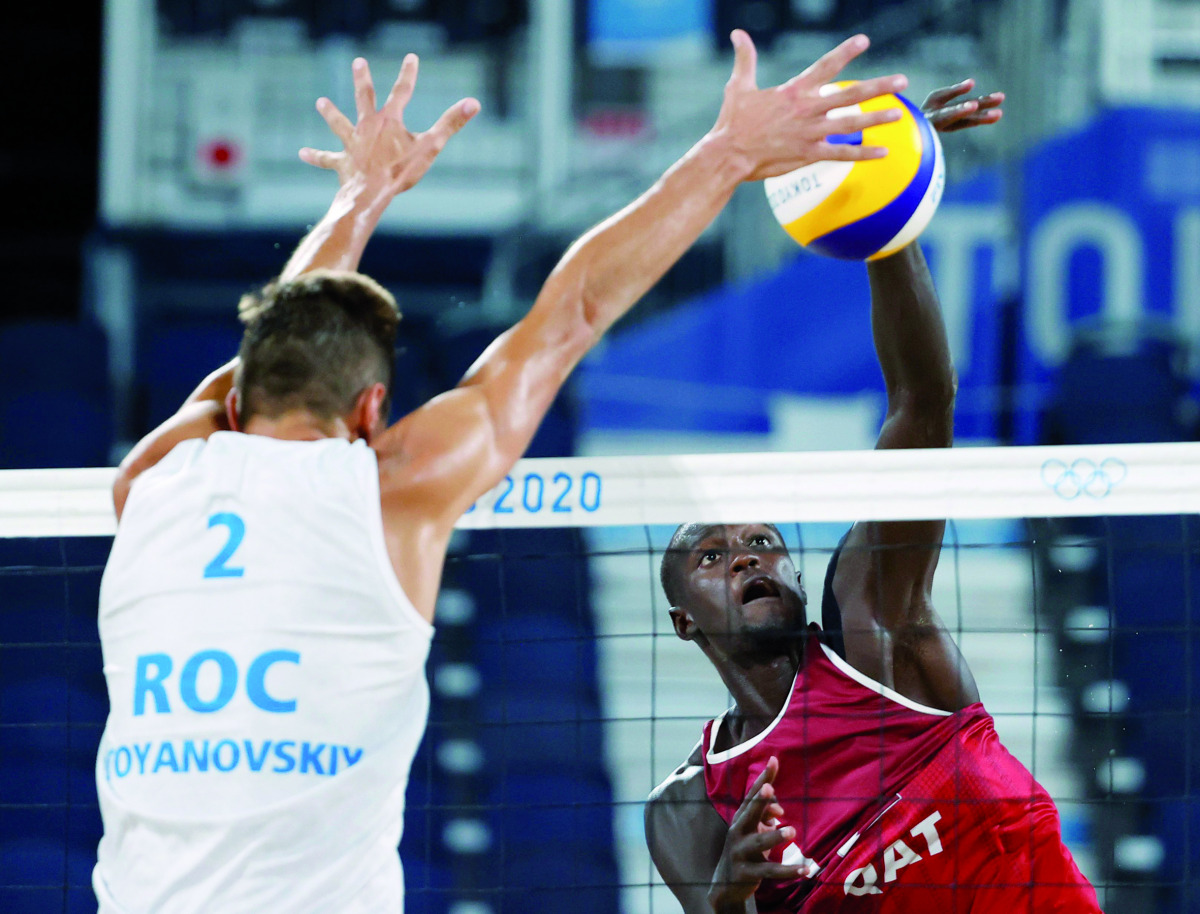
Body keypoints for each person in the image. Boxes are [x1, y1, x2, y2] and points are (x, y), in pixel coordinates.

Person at [93, 33, 909, 912]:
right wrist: (727, 154)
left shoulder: (149, 486)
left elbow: (260, 362)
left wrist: (357, 198)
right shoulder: (389, 495)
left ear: (238, 398)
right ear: (372, 411)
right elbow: (574, 313)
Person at [643, 89, 1104, 912]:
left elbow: (922, 402)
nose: (747, 555)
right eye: (712, 556)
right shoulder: (688, 806)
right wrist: (726, 895)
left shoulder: (873, 621)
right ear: (683, 619)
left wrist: (887, 212)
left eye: (761, 540)